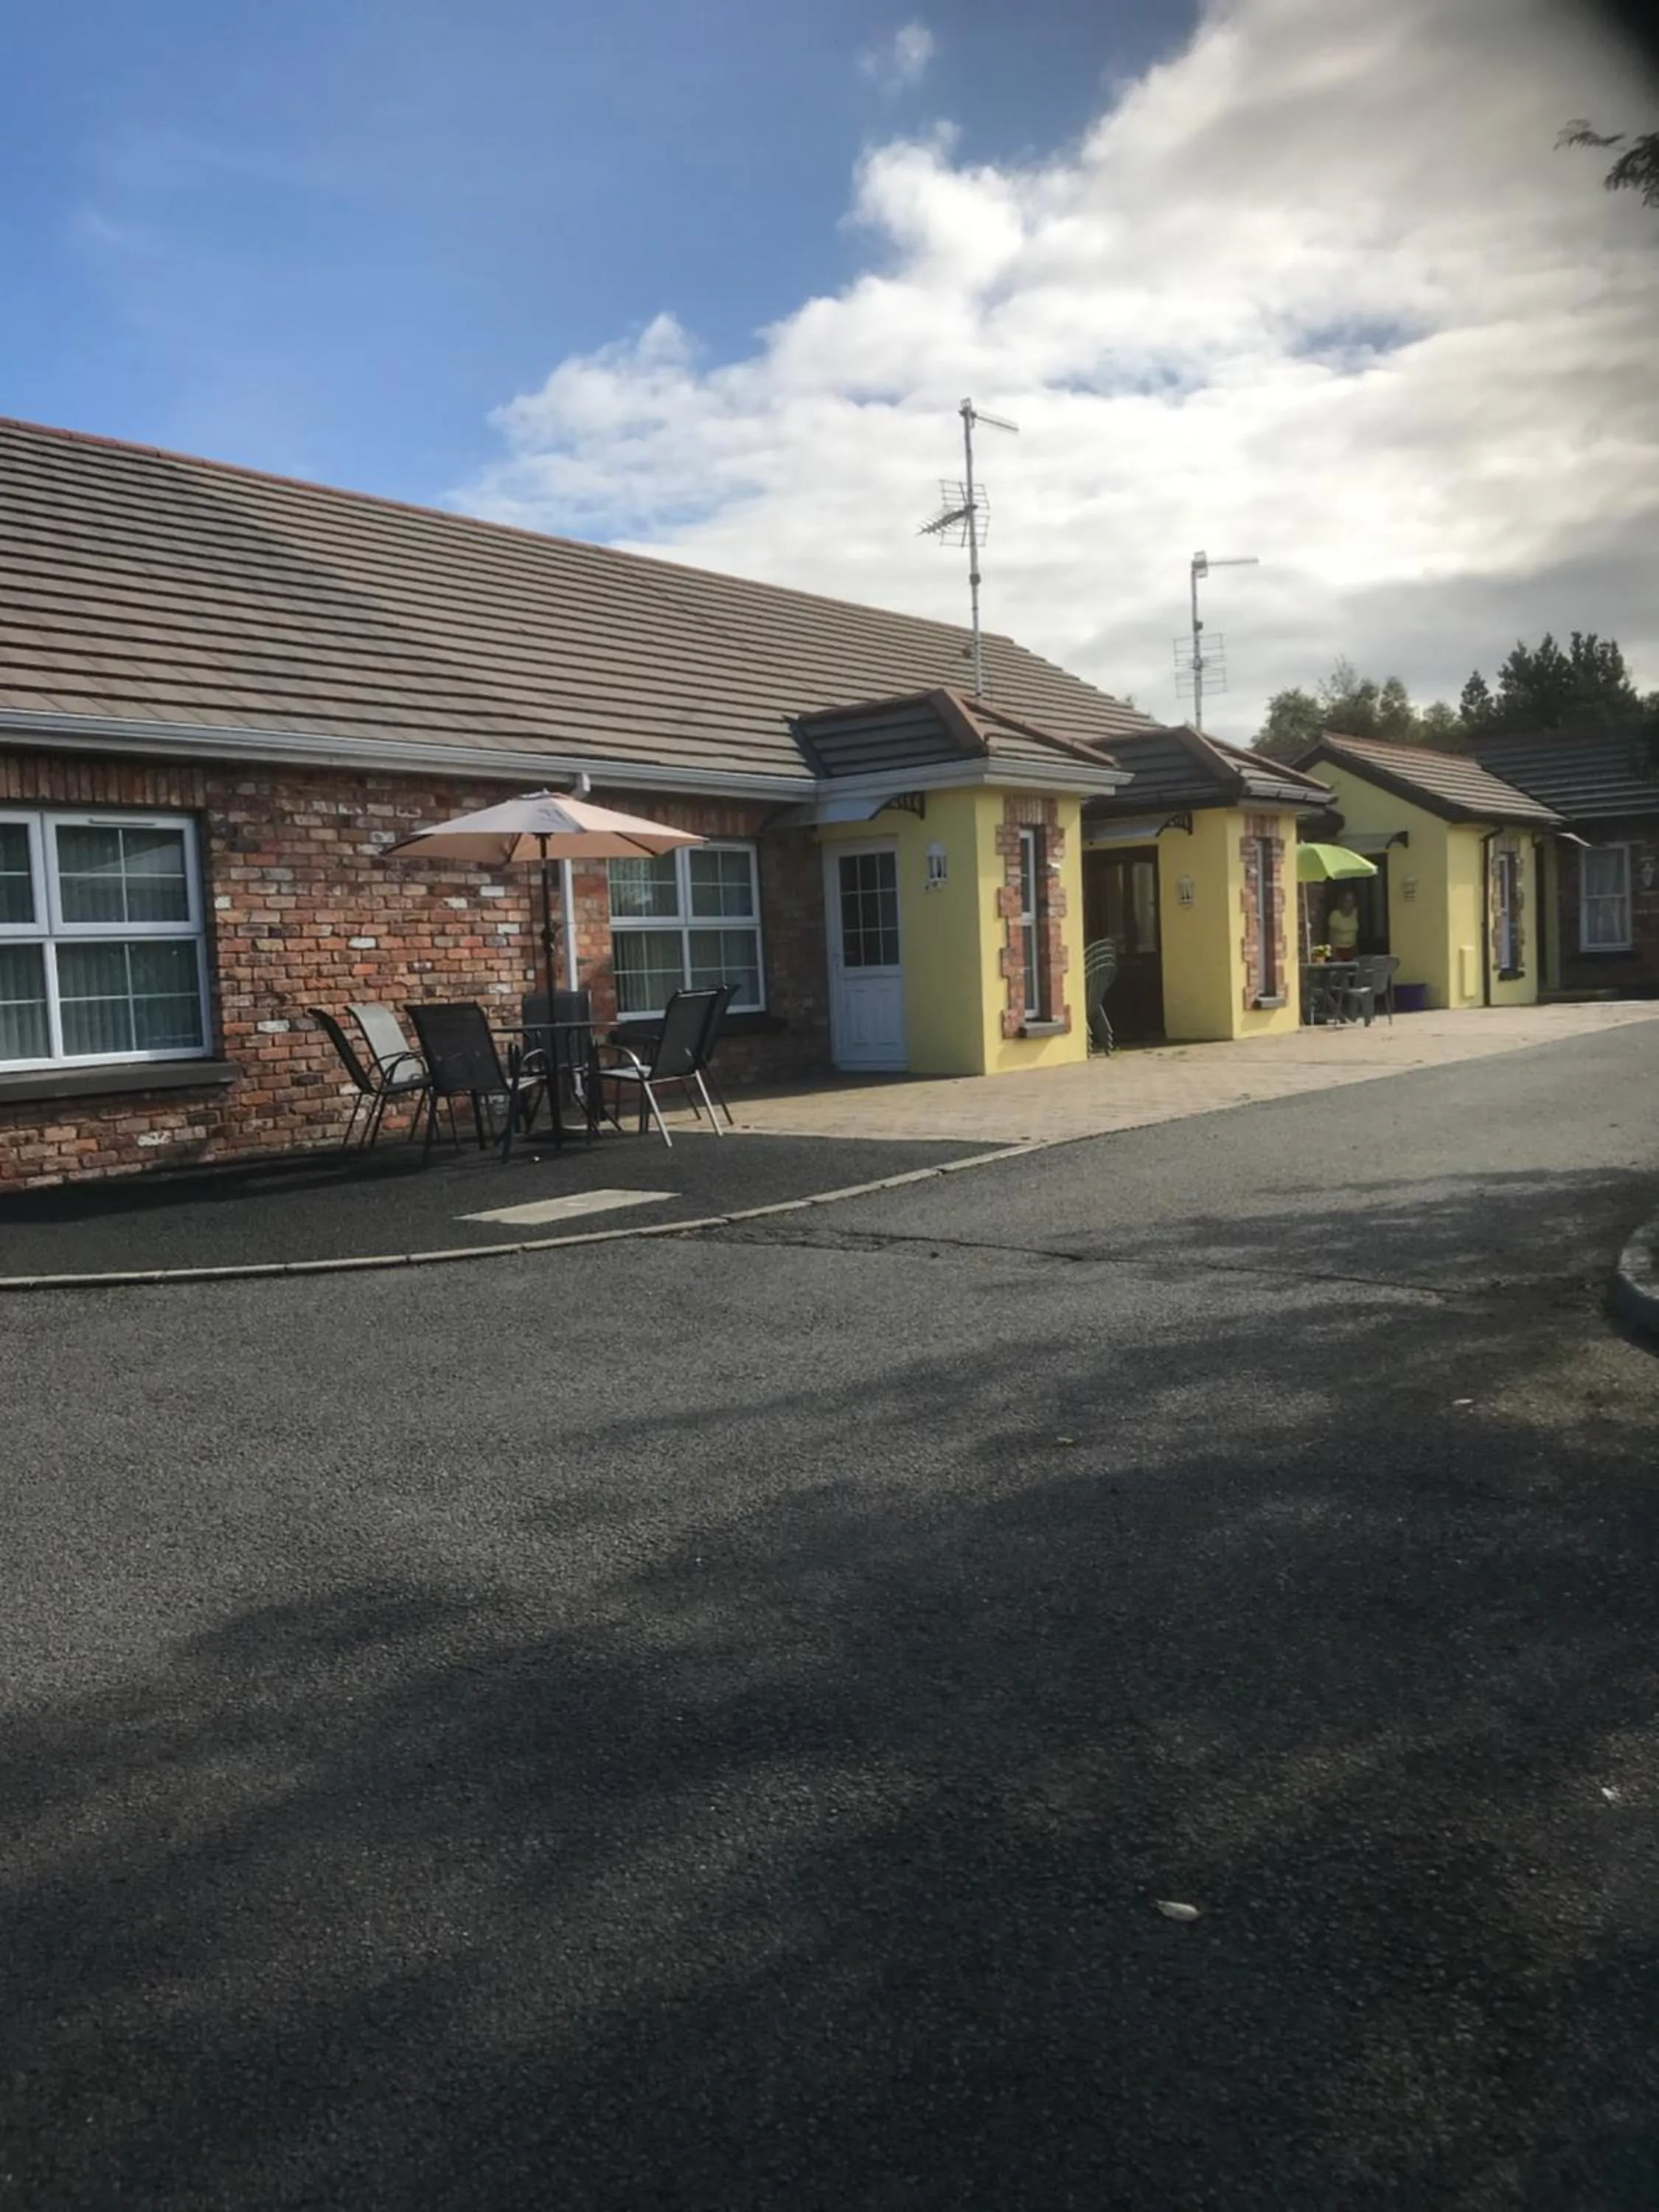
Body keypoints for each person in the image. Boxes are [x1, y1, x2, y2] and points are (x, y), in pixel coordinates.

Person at [1326, 886, 1360, 956]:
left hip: (1352, 948)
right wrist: (1334, 953)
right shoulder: (1335, 915)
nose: (1350, 904)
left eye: (1352, 901)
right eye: (1347, 901)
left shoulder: (1355, 912)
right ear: (1342, 901)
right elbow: (1331, 935)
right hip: (1339, 950)